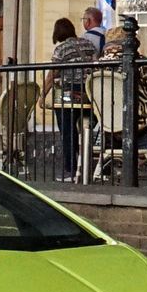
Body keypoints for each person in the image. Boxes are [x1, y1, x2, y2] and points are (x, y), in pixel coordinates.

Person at [47, 16, 97, 175]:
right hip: (90, 93)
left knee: (67, 131)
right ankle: (88, 165)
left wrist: (42, 95)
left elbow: (52, 73)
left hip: (70, 94)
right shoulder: (88, 44)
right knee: (87, 128)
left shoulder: (61, 49)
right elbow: (95, 64)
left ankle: (70, 167)